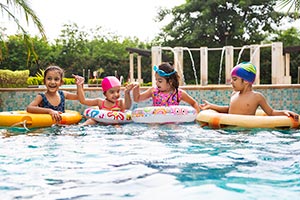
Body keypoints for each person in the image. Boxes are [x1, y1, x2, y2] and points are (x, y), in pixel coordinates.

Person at [200, 62, 299, 119]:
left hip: (244, 132)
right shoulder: (234, 94)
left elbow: (271, 112)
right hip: (229, 129)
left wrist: (285, 112)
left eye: (235, 79)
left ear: (246, 81)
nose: (231, 82)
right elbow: (229, 110)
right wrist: (212, 106)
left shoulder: (256, 97)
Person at [132, 62, 200, 113]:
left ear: (170, 82)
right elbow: (137, 99)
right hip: (157, 122)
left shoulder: (178, 93)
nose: (157, 83)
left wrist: (196, 116)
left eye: (160, 81)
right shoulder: (153, 91)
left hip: (172, 124)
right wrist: (136, 87)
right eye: (156, 80)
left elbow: (194, 103)